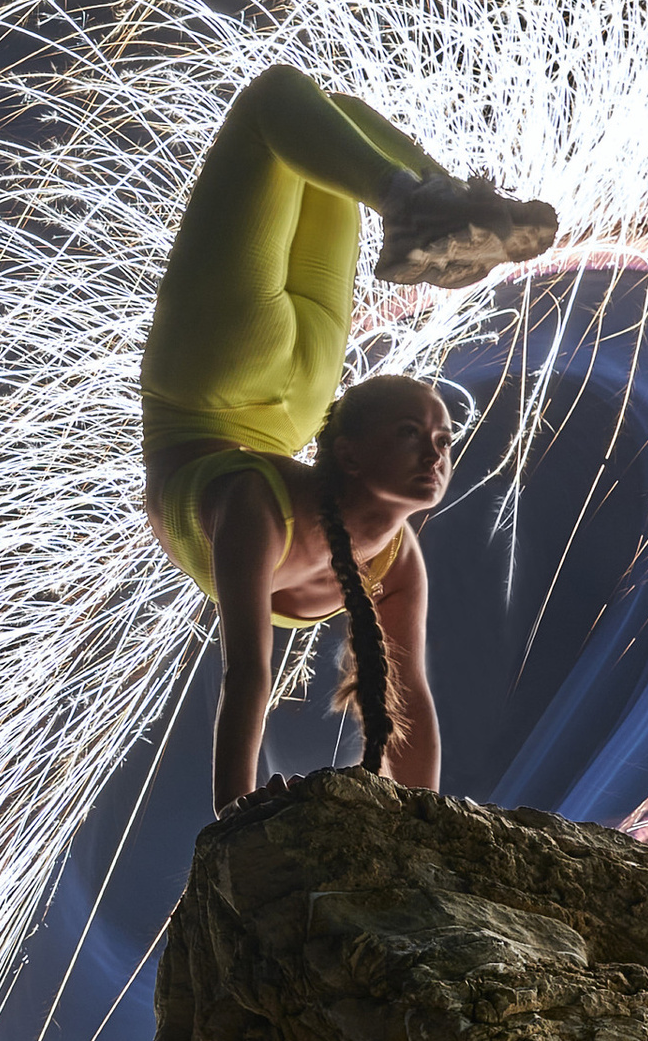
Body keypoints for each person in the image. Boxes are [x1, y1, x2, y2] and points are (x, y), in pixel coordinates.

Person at [140, 65, 558, 815]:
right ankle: (431, 203)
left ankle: (446, 210)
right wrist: (230, 833)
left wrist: (429, 836)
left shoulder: (282, 521)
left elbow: (408, 703)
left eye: (441, 437)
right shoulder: (279, 516)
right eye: (412, 433)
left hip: (241, 388)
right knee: (284, 109)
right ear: (353, 456)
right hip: (250, 388)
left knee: (320, 122)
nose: (436, 451)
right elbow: (247, 679)